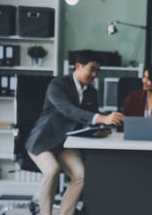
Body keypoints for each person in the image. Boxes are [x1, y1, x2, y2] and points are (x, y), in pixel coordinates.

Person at [25, 50, 124, 215]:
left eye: (97, 71)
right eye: (92, 69)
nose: (95, 75)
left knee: (81, 175)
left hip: (64, 143)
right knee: (52, 170)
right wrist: (101, 118)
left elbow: (90, 119)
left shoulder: (91, 92)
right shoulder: (58, 84)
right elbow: (68, 110)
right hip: (43, 140)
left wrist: (100, 129)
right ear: (78, 66)